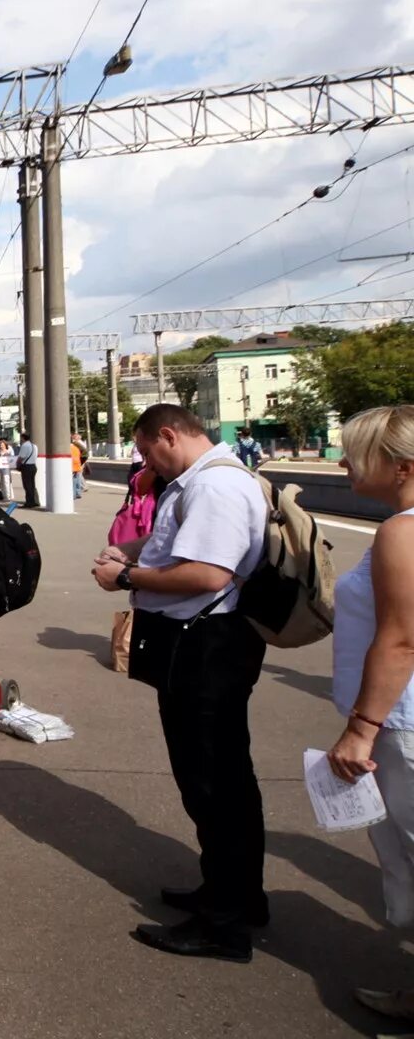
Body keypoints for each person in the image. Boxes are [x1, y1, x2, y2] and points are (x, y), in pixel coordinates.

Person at [92, 403, 267, 962]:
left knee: (215, 782)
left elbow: (208, 572)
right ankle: (231, 892)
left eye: (146, 451)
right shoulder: (200, 481)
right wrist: (136, 550)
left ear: (168, 435)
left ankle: (225, 923)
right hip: (202, 642)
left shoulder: (214, 487)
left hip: (207, 646)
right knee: (215, 779)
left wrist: (124, 576)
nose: (145, 462)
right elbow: (180, 545)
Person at [320, 407, 414, 1024]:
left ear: (402, 467)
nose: (343, 464)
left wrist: (361, 729)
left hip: (401, 727)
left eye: (357, 454)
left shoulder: (402, 533)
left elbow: (401, 639)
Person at [16, 432, 39, 508]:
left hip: (26, 467)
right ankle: (34, 501)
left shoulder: (25, 445)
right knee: (32, 485)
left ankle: (29, 502)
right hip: (33, 466)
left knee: (27, 485)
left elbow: (21, 457)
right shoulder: (34, 446)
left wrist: (17, 463)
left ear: (23, 438)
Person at [70, 433, 88, 500]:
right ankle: (77, 493)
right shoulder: (76, 445)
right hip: (77, 463)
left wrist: (82, 461)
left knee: (76, 479)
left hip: (75, 464)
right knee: (76, 478)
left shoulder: (75, 444)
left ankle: (76, 493)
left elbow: (85, 453)